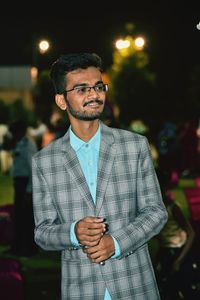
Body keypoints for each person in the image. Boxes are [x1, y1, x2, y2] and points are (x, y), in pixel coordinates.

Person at [32, 53, 168, 300]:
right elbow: (42, 232)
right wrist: (74, 232)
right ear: (62, 101)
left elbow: (156, 212)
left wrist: (116, 243)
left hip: (135, 285)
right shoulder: (44, 161)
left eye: (98, 86)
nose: (94, 95)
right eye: (82, 89)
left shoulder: (134, 146)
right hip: (80, 289)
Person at [155, 169, 199, 299]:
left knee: (187, 290)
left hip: (180, 252)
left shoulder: (173, 207)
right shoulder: (155, 211)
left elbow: (191, 233)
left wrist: (179, 261)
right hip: (165, 253)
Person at [9, 119, 38, 256]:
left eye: (14, 132)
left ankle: (28, 248)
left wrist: (29, 190)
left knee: (26, 218)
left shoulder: (28, 144)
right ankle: (17, 246)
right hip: (19, 183)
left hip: (25, 183)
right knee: (18, 217)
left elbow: (34, 168)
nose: (12, 135)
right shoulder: (19, 143)